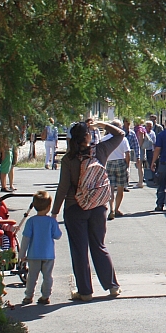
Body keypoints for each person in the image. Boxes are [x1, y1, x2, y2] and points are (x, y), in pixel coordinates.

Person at [52, 119, 123, 301]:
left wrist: (54, 212)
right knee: (99, 245)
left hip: (75, 206)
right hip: (98, 206)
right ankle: (112, 286)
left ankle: (85, 292)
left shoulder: (68, 159)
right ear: (87, 136)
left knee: (79, 250)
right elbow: (120, 134)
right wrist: (100, 123)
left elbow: (63, 187)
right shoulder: (99, 151)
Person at [18, 191, 62, 305]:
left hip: (34, 254)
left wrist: (22, 254)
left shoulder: (31, 221)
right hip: (48, 254)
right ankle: (45, 296)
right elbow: (58, 236)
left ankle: (28, 296)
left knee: (32, 276)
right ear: (49, 207)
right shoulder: (51, 221)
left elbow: (26, 238)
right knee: (47, 276)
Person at [103, 119, 131, 219]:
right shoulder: (123, 139)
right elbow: (128, 153)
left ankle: (112, 209)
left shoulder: (105, 138)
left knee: (110, 188)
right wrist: (127, 165)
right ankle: (117, 208)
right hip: (120, 162)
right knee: (120, 188)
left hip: (109, 163)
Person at [123, 118, 142, 189]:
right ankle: (121, 184)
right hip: (121, 152)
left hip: (129, 152)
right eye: (126, 122)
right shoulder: (121, 132)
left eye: (129, 122)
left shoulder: (132, 133)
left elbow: (136, 145)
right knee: (122, 168)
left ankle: (125, 184)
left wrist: (138, 156)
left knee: (128, 167)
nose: (127, 124)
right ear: (124, 122)